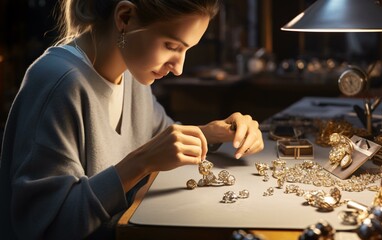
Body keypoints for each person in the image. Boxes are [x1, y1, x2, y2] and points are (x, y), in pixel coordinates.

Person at [0, 0, 264, 239]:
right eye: (171, 46)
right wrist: (141, 162)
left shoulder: (132, 74)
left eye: (186, 50)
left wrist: (212, 133)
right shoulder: (58, 84)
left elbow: (163, 139)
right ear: (125, 18)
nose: (179, 67)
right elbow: (47, 229)